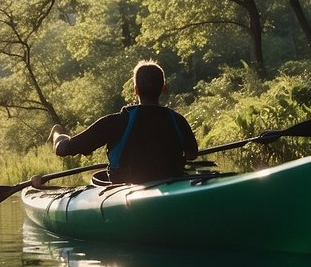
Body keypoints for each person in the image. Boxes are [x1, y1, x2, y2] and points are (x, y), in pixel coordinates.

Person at [47, 60, 198, 184]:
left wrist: (57, 134)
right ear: (164, 88)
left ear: (136, 90)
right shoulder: (178, 120)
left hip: (127, 194)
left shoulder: (115, 123)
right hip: (172, 185)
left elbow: (64, 149)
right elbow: (192, 154)